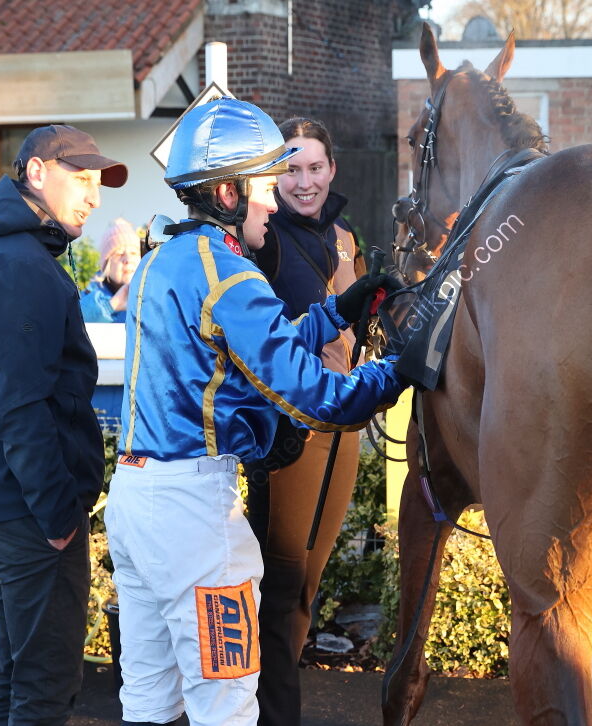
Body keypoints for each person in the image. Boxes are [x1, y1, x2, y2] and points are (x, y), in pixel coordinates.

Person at [105, 97, 403, 726]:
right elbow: (318, 396)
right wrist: (400, 369)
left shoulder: (161, 260)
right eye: (266, 186)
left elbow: (257, 345)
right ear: (228, 192)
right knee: (228, 703)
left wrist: (339, 309)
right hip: (195, 518)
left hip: (134, 503)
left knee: (149, 702)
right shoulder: (231, 274)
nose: (273, 202)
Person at [0, 124, 127, 725]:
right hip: (30, 514)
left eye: (98, 182)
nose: (94, 197)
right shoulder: (21, 266)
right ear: (35, 173)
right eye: (82, 179)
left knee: (16, 676)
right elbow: (20, 408)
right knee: (44, 689)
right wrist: (56, 518)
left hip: (4, 502)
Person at [246, 116, 365, 726]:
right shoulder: (264, 237)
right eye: (291, 169)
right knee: (282, 578)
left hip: (345, 425)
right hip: (291, 426)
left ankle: (269, 697)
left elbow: (360, 328)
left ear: (332, 170)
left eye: (315, 167)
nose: (304, 181)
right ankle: (262, 708)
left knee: (309, 580)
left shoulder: (346, 237)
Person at [80, 217, 142, 323]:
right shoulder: (88, 297)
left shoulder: (151, 294)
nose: (128, 260)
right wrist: (110, 305)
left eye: (133, 253)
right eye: (119, 253)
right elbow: (75, 321)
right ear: (106, 265)